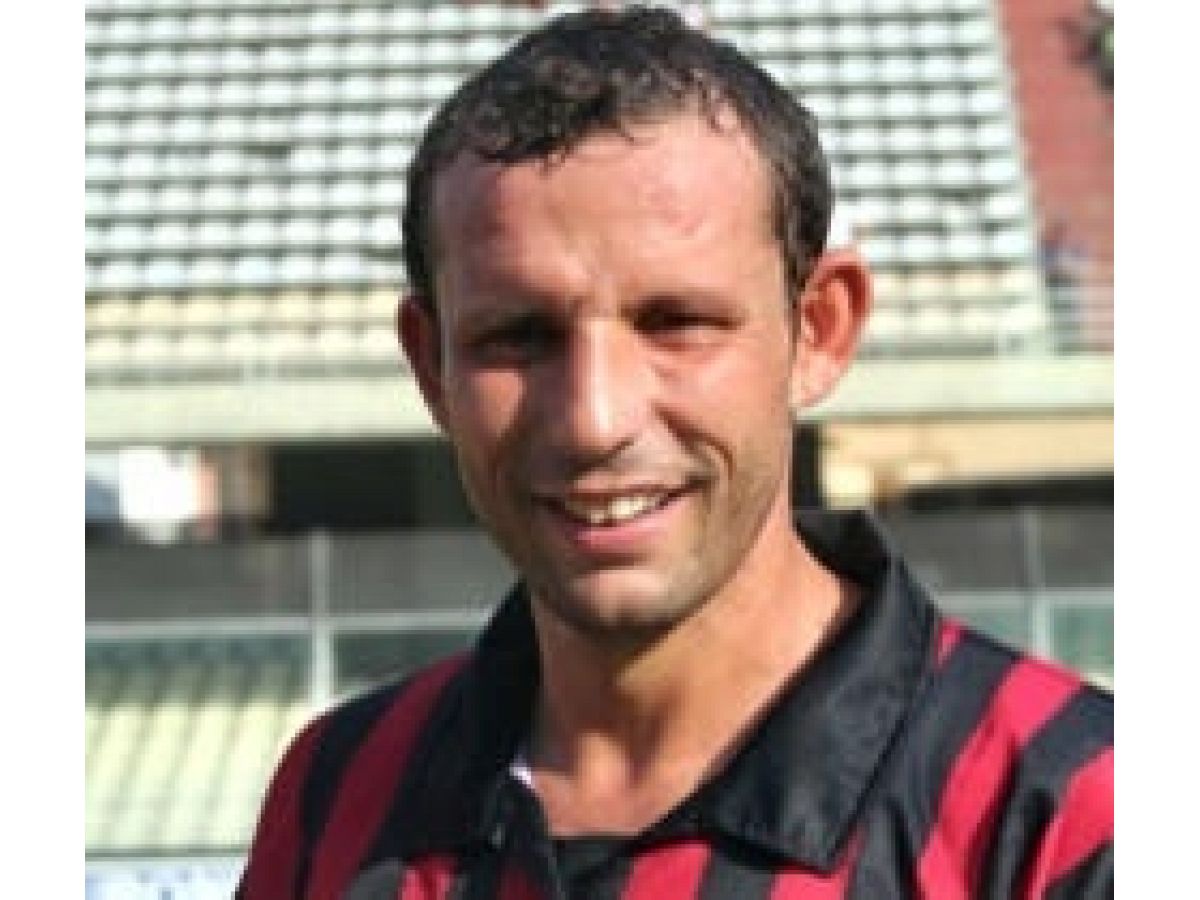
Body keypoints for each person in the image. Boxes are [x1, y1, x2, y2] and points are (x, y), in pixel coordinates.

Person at [238, 8, 1112, 898]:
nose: (594, 419)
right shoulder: (335, 795)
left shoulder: (1070, 817)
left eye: (677, 322)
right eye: (519, 336)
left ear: (818, 330)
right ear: (432, 365)